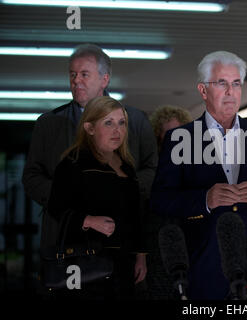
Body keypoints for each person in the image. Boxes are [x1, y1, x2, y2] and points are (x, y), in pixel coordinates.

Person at [150, 51, 247, 300]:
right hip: (203, 265)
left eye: (236, 83)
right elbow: (160, 200)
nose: (231, 91)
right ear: (203, 90)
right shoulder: (180, 138)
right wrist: (204, 200)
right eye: (222, 83)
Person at [21, 44, 158, 290]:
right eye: (72, 74)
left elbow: (153, 170)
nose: (76, 81)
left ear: (104, 79)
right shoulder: (48, 124)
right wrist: (72, 203)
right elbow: (32, 177)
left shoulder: (135, 121)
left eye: (85, 74)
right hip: (66, 242)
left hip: (120, 240)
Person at [47, 96, 147, 299]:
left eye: (121, 123)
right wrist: (88, 221)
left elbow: (137, 215)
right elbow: (55, 207)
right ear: (90, 128)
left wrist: (141, 256)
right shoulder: (73, 164)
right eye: (108, 123)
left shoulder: (127, 166)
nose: (117, 130)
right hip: (87, 262)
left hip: (123, 262)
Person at [145, 105, 192, 299]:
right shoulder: (150, 170)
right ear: (158, 136)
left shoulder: (197, 167)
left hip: (191, 247)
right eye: (169, 133)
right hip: (158, 249)